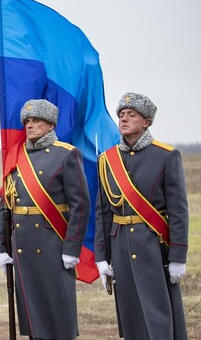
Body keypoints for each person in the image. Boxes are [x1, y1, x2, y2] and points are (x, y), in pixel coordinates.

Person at [0, 99, 90, 340]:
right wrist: (0, 245)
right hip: (22, 243)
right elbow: (7, 203)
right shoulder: (16, 156)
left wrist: (72, 247)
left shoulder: (66, 154)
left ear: (50, 124)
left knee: (57, 313)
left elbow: (80, 205)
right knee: (32, 315)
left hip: (52, 242)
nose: (29, 125)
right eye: (26, 121)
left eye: (36, 120)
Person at [94, 92, 188, 340]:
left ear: (146, 122)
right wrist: (102, 258)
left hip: (154, 247)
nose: (123, 119)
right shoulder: (107, 160)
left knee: (159, 313)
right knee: (130, 313)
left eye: (131, 115)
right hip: (121, 246)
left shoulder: (166, 155)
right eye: (121, 115)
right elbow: (103, 212)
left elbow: (178, 210)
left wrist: (178, 256)